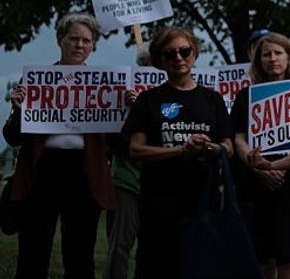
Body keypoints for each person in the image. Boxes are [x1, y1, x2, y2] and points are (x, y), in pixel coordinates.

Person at [4, 14, 118, 278]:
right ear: (60, 40)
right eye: (74, 38)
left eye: (86, 41)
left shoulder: (106, 87)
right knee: (33, 249)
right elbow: (12, 137)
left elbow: (118, 142)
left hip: (84, 172)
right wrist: (19, 110)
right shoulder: (34, 81)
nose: (79, 45)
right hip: (41, 171)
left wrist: (126, 110)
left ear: (94, 47)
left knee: (80, 254)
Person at [123, 27, 234, 278]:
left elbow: (228, 146)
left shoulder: (213, 99)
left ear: (194, 53)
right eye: (170, 54)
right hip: (158, 202)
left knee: (200, 267)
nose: (179, 58)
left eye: (185, 51)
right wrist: (180, 150)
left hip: (204, 200)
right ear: (160, 60)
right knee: (157, 266)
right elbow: (135, 149)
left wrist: (210, 147)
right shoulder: (148, 100)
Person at [231, 32, 290, 279]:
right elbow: (238, 137)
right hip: (255, 185)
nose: (273, 59)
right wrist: (258, 167)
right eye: (266, 54)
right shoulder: (246, 96)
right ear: (258, 61)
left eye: (278, 53)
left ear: (289, 57)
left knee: (287, 258)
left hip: (289, 186)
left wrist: (280, 166)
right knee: (261, 258)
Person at [103, 46, 151, 279]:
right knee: (120, 244)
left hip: (162, 183)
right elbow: (112, 137)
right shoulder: (122, 94)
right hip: (128, 181)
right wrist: (133, 113)